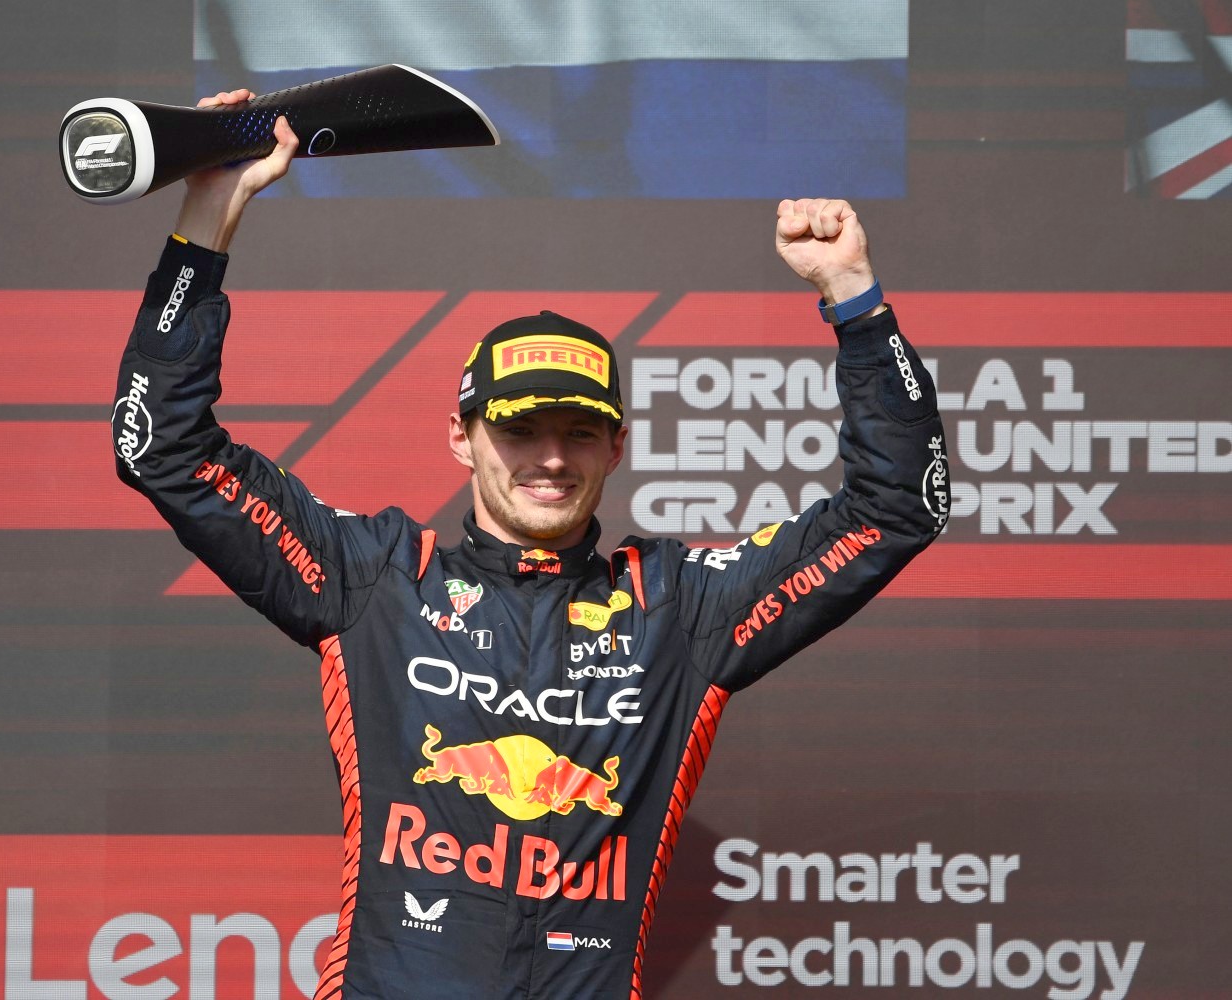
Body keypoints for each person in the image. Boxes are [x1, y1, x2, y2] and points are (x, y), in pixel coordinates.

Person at [112, 89, 948, 1000]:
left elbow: (898, 505)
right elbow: (161, 445)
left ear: (616, 448)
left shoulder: (681, 608)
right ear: (462, 438)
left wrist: (855, 299)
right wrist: (207, 218)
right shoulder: (377, 578)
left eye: (580, 432)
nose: (550, 459)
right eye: (519, 429)